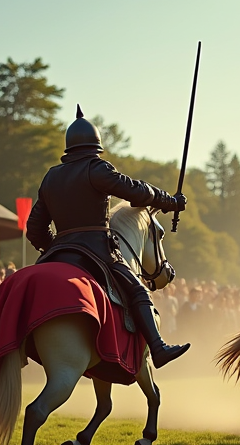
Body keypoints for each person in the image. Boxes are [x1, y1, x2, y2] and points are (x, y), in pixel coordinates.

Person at [26, 106, 189, 367]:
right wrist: (170, 202)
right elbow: (136, 191)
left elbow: (34, 229)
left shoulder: (51, 177)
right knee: (138, 290)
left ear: (69, 148)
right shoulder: (97, 168)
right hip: (97, 251)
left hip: (57, 254)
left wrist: (57, 248)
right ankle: (158, 349)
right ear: (96, 146)